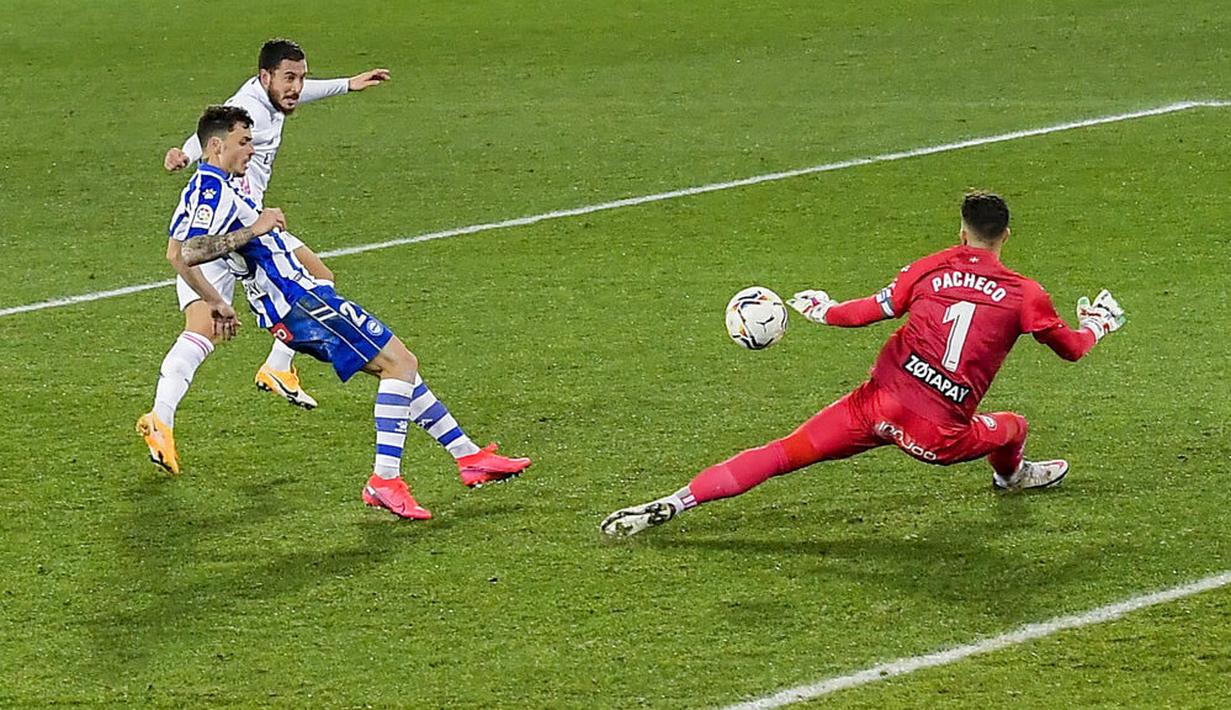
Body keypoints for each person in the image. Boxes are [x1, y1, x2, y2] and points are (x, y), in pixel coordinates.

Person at [601, 191, 1126, 537]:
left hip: (875, 405)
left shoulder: (929, 268)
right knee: (1015, 427)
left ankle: (676, 501)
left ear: (961, 231)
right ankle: (1010, 480)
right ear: (1006, 237)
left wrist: (822, 309)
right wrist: (1098, 323)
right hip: (936, 437)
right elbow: (1073, 349)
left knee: (780, 453)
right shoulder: (1025, 295)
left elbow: (867, 312)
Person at [147, 105, 531, 517]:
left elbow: (175, 253)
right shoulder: (212, 190)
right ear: (217, 144)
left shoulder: (210, 185)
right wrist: (253, 231)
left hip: (299, 299)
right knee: (399, 363)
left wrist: (217, 301)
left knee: (400, 370)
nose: (251, 151)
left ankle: (467, 456)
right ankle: (384, 480)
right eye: (244, 142)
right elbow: (190, 251)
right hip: (299, 302)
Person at [136, 39, 390, 475]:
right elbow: (216, 138)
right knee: (228, 319)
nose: (297, 88)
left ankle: (181, 409)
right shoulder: (246, 107)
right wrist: (184, 152)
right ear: (265, 77)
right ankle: (263, 372)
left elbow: (295, 94)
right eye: (289, 78)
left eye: (301, 78)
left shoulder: (275, 98)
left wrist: (347, 85)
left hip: (241, 221)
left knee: (310, 278)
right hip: (234, 227)